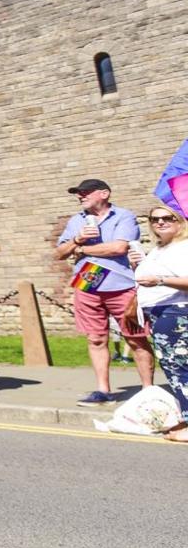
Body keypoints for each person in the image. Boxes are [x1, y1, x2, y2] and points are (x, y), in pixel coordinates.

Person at [55, 178, 148, 405]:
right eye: (78, 193)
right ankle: (103, 390)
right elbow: (60, 252)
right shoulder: (76, 221)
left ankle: (148, 391)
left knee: (135, 338)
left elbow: (119, 247)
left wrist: (82, 249)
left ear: (104, 194)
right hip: (88, 284)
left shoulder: (123, 216)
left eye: (85, 192)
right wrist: (77, 239)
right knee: (95, 338)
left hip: (121, 285)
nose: (80, 196)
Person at [130, 204, 188, 441]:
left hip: (175, 314)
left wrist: (160, 279)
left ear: (180, 221)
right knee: (175, 369)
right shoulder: (161, 248)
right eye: (154, 219)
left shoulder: (183, 247)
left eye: (167, 218)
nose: (160, 223)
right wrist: (139, 264)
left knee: (180, 369)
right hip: (161, 314)